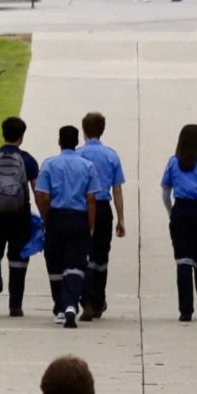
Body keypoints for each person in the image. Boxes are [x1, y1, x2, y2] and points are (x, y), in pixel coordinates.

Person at [0, 116, 39, 319]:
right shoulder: (27, 160)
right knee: (18, 259)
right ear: (21, 136)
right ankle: (15, 305)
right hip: (20, 215)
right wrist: (45, 216)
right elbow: (38, 192)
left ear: (3, 133)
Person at [36, 125, 98, 329]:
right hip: (79, 218)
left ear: (59, 142)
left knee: (54, 262)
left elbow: (43, 196)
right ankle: (71, 304)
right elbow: (91, 199)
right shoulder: (88, 166)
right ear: (76, 141)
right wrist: (90, 225)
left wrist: (46, 218)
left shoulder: (49, 165)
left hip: (56, 217)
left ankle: (60, 307)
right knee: (76, 263)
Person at [161, 124, 197, 322]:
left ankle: (185, 309)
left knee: (183, 261)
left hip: (181, 211)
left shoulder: (173, 162)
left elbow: (165, 191)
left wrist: (172, 212)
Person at [76, 112, 126, 321]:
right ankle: (98, 300)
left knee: (82, 255)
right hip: (103, 208)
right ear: (102, 130)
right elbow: (117, 189)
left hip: (82, 208)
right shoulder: (111, 155)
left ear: (84, 130)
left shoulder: (77, 155)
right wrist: (121, 217)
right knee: (101, 256)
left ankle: (85, 297)